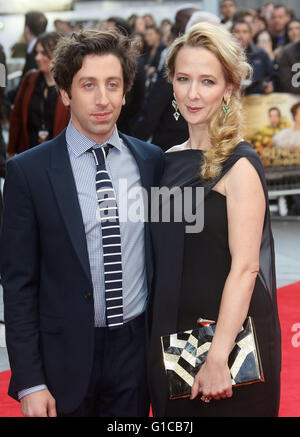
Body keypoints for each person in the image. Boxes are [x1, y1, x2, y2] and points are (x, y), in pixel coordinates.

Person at [0, 29, 164, 417]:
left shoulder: (152, 161)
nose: (103, 98)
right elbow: (18, 283)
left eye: (113, 84)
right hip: (61, 357)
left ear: (126, 92)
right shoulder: (29, 172)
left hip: (134, 354)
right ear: (66, 93)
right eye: (88, 85)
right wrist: (30, 381)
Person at [148, 22, 281, 417]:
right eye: (183, 78)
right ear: (170, 82)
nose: (192, 93)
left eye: (207, 81)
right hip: (173, 338)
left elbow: (245, 268)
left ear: (229, 87)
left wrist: (219, 356)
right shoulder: (168, 158)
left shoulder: (239, 164)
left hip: (228, 345)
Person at [7, 32, 70, 157]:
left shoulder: (68, 84)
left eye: (44, 53)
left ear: (57, 54)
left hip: (58, 155)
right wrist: (11, 151)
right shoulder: (30, 79)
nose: (38, 57)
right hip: (29, 151)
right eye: (37, 53)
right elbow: (17, 117)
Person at [232, 19, 276, 94]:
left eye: (245, 32)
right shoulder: (225, 54)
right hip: (232, 97)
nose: (240, 35)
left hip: (256, 97)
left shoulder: (260, 54)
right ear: (231, 34)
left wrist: (270, 86)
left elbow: (273, 76)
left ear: (250, 35)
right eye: (237, 31)